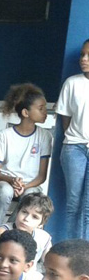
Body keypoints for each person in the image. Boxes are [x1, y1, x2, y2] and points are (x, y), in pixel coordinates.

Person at [0, 83, 53, 231]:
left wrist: (24, 185)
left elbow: (41, 176)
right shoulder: (4, 135)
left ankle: (8, 232)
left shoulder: (45, 136)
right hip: (6, 182)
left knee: (31, 195)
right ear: (25, 113)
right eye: (41, 108)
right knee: (5, 190)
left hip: (30, 185)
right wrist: (12, 181)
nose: (45, 112)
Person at [57, 39, 89, 240]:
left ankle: (84, 257)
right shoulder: (72, 83)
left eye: (88, 55)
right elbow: (65, 119)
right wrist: (75, 137)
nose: (83, 59)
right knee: (73, 204)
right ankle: (70, 254)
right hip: (74, 148)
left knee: (88, 207)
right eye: (82, 55)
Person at [0, 193, 54, 274]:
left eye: (35, 217)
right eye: (24, 212)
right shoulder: (3, 231)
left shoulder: (44, 238)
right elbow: (11, 259)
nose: (26, 218)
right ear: (18, 212)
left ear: (41, 224)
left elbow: (51, 263)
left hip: (27, 279)